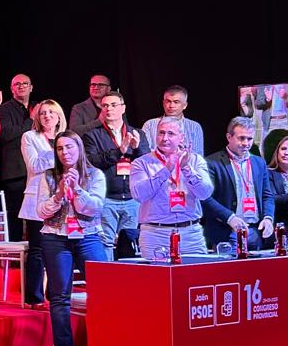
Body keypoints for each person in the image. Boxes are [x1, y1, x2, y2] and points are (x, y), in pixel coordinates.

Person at [37, 131, 107, 346]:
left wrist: (76, 189)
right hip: (56, 237)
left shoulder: (95, 175)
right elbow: (41, 212)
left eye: (69, 147)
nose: (65, 153)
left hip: (88, 236)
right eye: (59, 148)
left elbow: (96, 207)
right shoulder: (48, 176)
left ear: (79, 148)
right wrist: (57, 195)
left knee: (104, 291)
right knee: (59, 297)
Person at [130, 117, 214, 262]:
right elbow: (139, 195)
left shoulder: (195, 160)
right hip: (155, 234)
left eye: (171, 134)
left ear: (182, 137)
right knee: (155, 282)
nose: (165, 138)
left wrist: (186, 168)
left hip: (190, 234)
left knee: (195, 281)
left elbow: (205, 193)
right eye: (161, 133)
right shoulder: (141, 163)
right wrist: (166, 169)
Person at [82, 90, 149, 258]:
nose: (108, 109)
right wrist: (120, 151)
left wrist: (136, 148)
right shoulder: (92, 135)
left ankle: (128, 282)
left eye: (113, 105)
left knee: (130, 244)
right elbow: (92, 162)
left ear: (123, 108)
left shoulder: (137, 133)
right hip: (107, 198)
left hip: (133, 199)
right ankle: (106, 282)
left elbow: (147, 162)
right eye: (104, 106)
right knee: (104, 242)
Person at [18, 99, 65, 306]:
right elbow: (34, 165)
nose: (47, 116)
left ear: (58, 117)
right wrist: (55, 153)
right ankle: (34, 297)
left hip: (62, 199)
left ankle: (55, 294)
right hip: (37, 199)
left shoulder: (65, 137)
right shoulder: (30, 137)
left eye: (51, 113)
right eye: (43, 113)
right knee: (37, 250)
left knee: (57, 249)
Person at [204, 118, 275, 251]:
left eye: (249, 139)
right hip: (227, 230)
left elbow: (267, 195)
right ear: (229, 137)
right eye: (241, 138)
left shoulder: (259, 163)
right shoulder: (211, 163)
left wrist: (268, 218)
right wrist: (229, 218)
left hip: (255, 231)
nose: (246, 143)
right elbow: (206, 198)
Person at [0, 73, 33, 230]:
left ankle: (36, 252)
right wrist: (30, 120)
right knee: (15, 216)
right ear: (12, 88)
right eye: (17, 84)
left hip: (36, 172)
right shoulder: (4, 109)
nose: (21, 86)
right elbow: (7, 134)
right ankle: (14, 252)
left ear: (31, 87)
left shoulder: (37, 107)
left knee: (36, 217)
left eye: (25, 83)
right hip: (15, 172)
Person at [141, 85, 206, 156]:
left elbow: (198, 158)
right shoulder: (150, 125)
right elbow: (144, 153)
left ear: (185, 105)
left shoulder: (194, 127)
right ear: (163, 103)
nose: (171, 106)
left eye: (176, 102)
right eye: (168, 101)